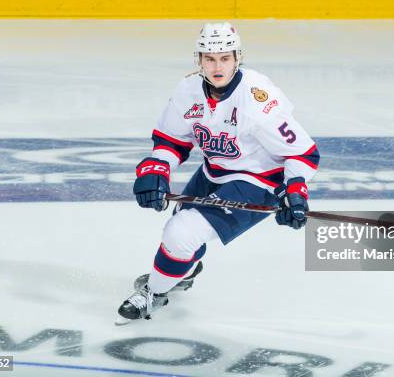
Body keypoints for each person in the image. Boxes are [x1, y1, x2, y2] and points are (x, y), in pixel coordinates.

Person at [117, 22, 320, 321]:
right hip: (214, 171)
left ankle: (154, 293)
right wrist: (158, 167)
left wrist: (294, 189)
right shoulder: (188, 90)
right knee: (180, 235)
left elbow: (303, 153)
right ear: (198, 60)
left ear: (238, 58)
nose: (217, 66)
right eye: (210, 59)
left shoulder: (257, 98)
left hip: (257, 182)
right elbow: (172, 140)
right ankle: (183, 272)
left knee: (181, 232)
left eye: (225, 58)